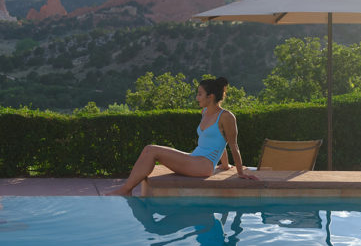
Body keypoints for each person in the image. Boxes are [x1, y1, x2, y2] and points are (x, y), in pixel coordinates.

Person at [106, 77, 257, 196]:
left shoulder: (226, 116)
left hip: (203, 165)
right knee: (149, 150)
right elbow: (217, 140)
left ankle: (126, 189)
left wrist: (241, 173)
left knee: (151, 150)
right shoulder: (205, 112)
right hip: (195, 158)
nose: (197, 97)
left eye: (199, 94)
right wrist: (224, 165)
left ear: (210, 96)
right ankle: (127, 189)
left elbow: (232, 145)